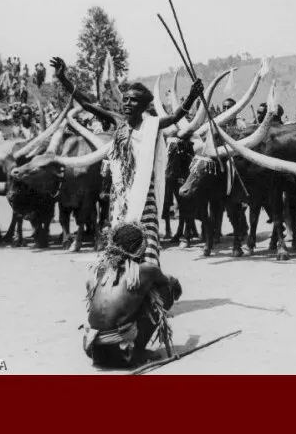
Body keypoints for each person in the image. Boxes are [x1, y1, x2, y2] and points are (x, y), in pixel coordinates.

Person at [52, 57, 200, 367]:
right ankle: (121, 330)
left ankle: (140, 329)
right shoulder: (119, 125)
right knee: (116, 264)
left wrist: (191, 97)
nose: (128, 105)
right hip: (120, 203)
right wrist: (64, 78)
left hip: (142, 201)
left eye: (134, 101)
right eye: (126, 100)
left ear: (145, 105)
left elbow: (174, 118)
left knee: (144, 263)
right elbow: (87, 104)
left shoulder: (149, 124)